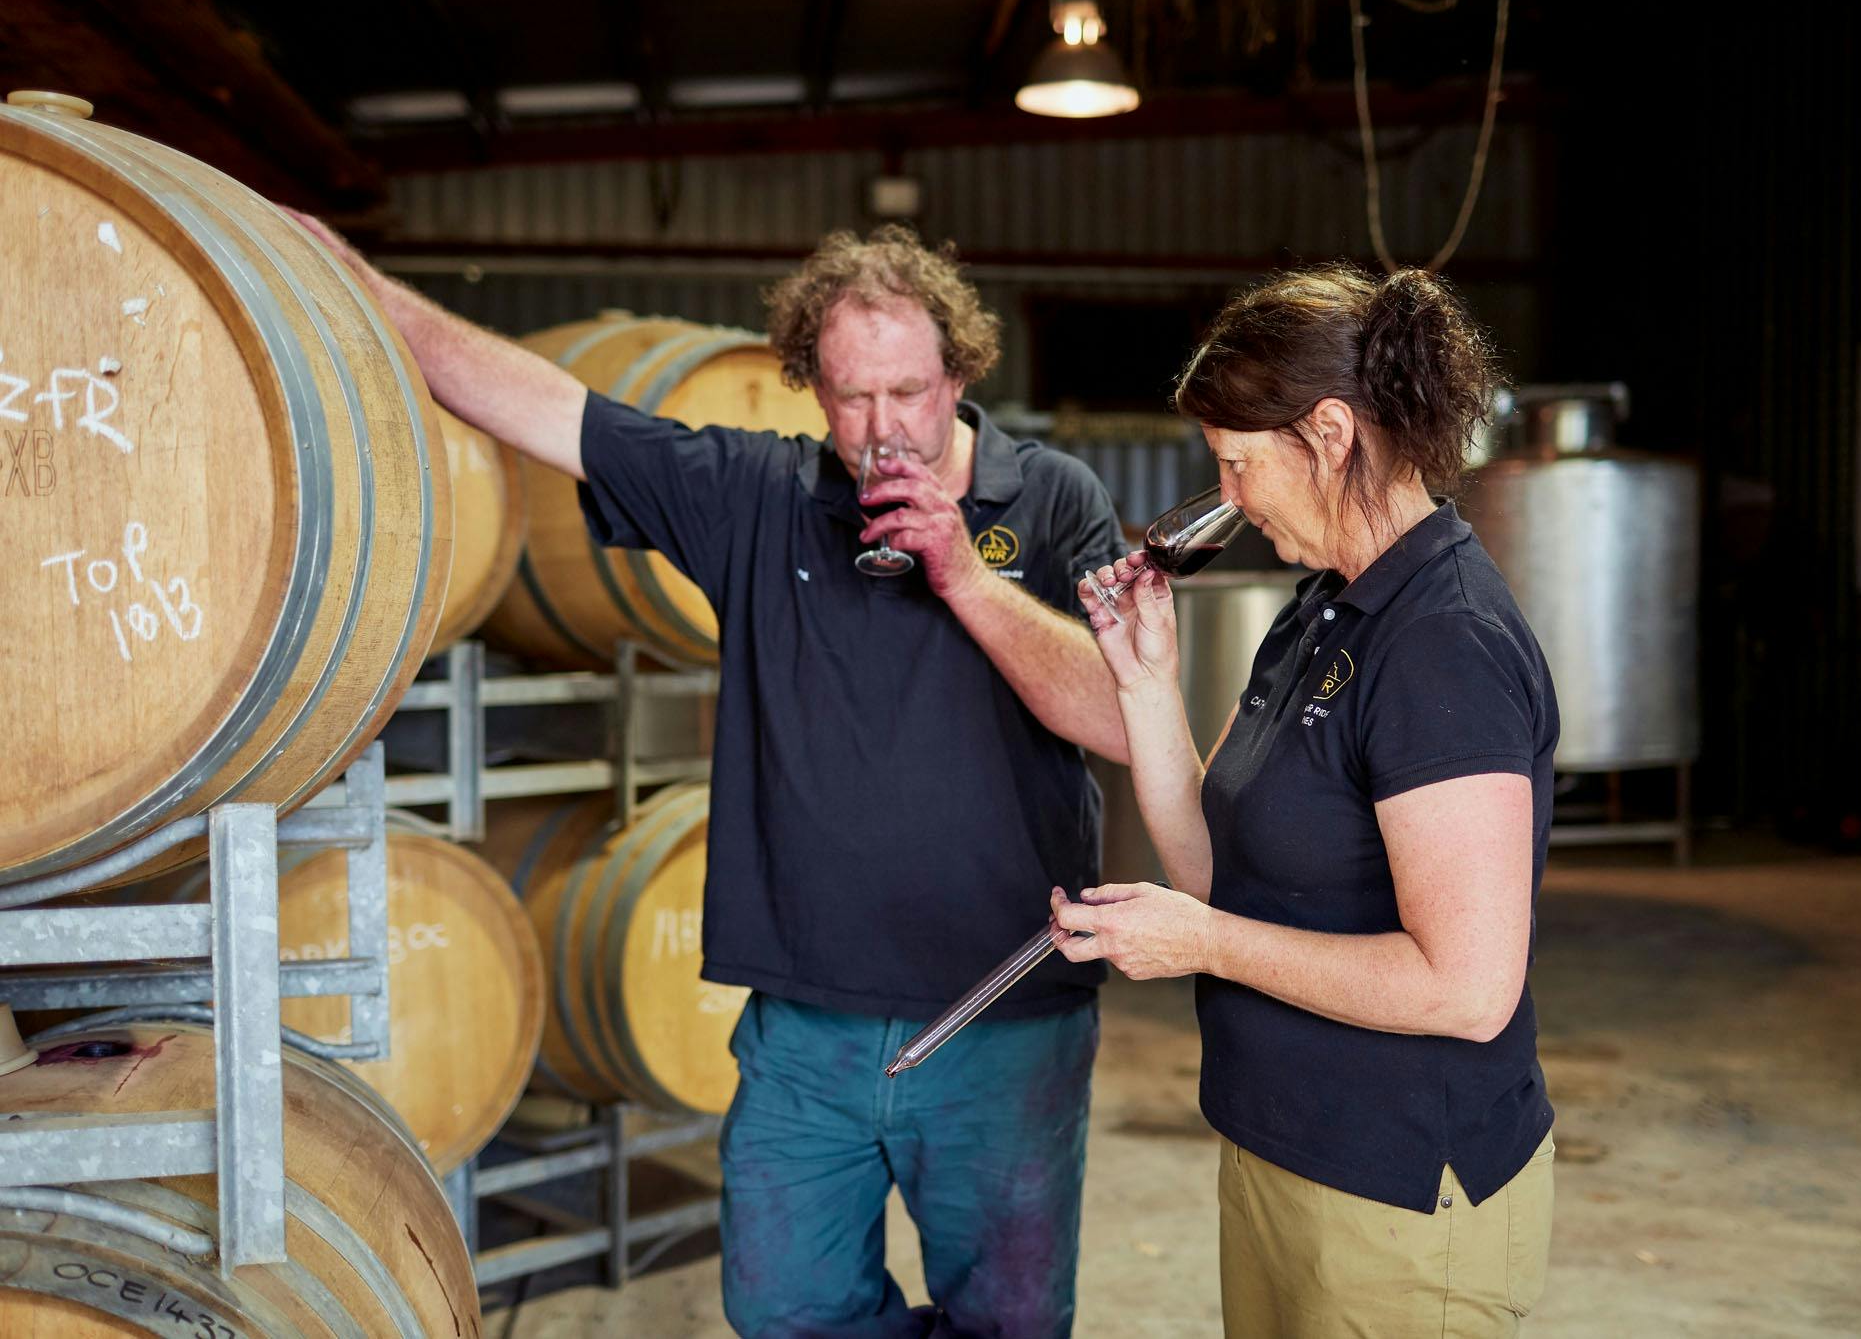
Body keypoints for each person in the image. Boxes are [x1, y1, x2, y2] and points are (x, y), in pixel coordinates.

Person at [291, 216, 1129, 1338]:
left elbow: (1119, 716)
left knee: (1011, 1322)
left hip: (1004, 1015)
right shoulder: (759, 496)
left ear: (960, 374)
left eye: (908, 393)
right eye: (851, 397)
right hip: (806, 1027)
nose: (883, 429)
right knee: (782, 1308)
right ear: (811, 388)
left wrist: (962, 576)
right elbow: (552, 411)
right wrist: (359, 284)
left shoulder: (1055, 499)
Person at [1054, 264, 1559, 1337]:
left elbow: (1468, 988)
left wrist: (1203, 944)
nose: (1229, 497)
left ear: (1329, 434)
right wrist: (1145, 684)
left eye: (1238, 463)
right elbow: (1217, 875)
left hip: (1398, 1191)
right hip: (1278, 1146)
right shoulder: (1324, 607)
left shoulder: (1443, 643)